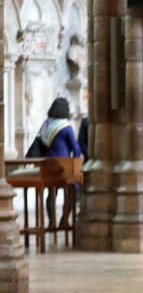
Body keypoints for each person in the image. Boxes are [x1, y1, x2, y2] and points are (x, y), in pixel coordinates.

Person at [36, 97, 83, 228]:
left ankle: (51, 222)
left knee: (51, 193)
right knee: (73, 191)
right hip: (63, 168)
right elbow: (76, 149)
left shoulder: (45, 125)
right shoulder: (65, 126)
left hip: (47, 167)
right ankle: (64, 220)